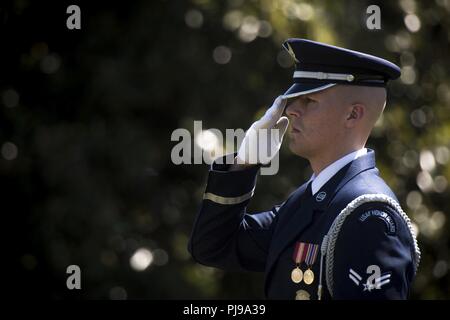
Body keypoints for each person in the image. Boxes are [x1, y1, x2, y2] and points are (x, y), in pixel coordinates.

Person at [188, 39, 420, 300]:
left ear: (353, 115)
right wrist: (244, 163)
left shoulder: (370, 217)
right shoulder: (305, 201)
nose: (292, 110)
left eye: (309, 100)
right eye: (294, 98)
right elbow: (212, 247)